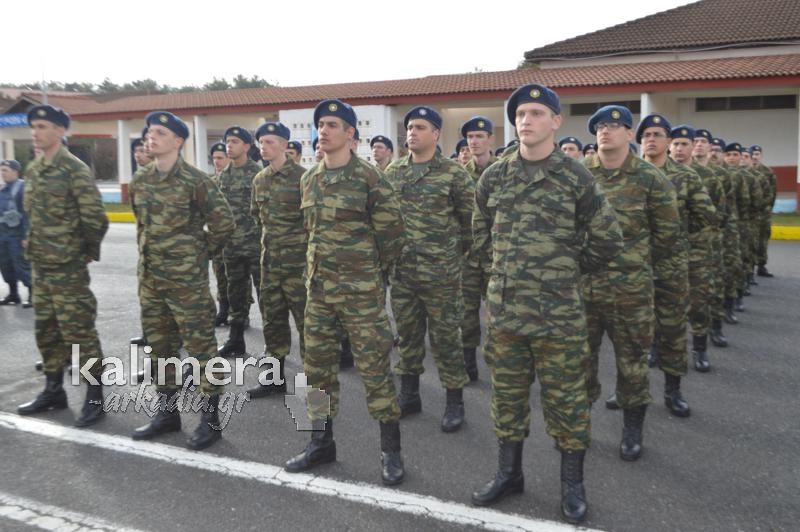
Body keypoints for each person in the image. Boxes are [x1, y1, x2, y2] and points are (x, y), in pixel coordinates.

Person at [470, 84, 623, 525]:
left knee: (567, 401)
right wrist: (500, 272)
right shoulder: (495, 175)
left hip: (559, 315)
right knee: (507, 397)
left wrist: (566, 270)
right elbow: (479, 230)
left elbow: (608, 239)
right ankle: (509, 473)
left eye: (537, 112)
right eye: (521, 113)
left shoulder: (576, 177)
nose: (526, 120)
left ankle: (572, 485)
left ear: (556, 121)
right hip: (506, 314)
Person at [284, 99, 406, 486]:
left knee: (375, 370)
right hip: (319, 293)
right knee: (316, 370)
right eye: (320, 124)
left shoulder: (370, 179)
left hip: (360, 295)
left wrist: (368, 275)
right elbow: (310, 234)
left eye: (332, 124)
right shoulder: (309, 179)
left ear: (351, 134)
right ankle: (320, 442)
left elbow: (392, 236)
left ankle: (390, 450)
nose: (323, 130)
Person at [129, 111, 234, 450]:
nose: (151, 137)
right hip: (151, 281)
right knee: (160, 348)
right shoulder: (141, 180)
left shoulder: (195, 181)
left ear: (178, 141)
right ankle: (167, 413)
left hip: (186, 284)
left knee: (202, 350)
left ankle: (210, 420)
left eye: (160, 132)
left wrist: (197, 253)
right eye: (150, 132)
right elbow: (142, 225)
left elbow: (224, 223)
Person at [582, 105, 681, 461]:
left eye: (614, 126)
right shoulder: (578, 174)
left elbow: (668, 236)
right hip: (584, 290)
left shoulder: (650, 178)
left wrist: (639, 268)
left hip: (631, 291)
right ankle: (579, 425)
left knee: (633, 362)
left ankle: (632, 428)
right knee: (579, 361)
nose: (605, 131)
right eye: (599, 127)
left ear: (628, 134)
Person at [16, 105, 109, 427]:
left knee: (78, 331)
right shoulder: (34, 169)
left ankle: (95, 398)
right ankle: (53, 390)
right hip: (41, 266)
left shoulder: (74, 170)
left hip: (68, 267)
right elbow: (33, 213)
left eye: (42, 126)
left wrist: (86, 252)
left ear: (60, 131)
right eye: (33, 127)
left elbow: (95, 218)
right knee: (46, 329)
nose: (35, 132)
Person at [385, 106, 473, 432]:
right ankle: (409, 396)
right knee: (408, 338)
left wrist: (452, 258)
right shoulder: (394, 172)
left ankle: (454, 402)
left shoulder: (454, 174)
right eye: (410, 127)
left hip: (442, 276)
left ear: (436, 134)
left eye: (420, 127)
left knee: (446, 340)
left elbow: (471, 223)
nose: (412, 132)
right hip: (404, 274)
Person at [634, 117, 714, 416]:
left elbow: (706, 215)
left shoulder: (686, 176)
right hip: (632, 267)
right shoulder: (628, 174)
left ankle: (673, 390)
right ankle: (628, 389)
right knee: (629, 334)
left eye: (657, 134)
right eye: (646, 135)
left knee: (672, 329)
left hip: (670, 266)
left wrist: (678, 241)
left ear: (668, 142)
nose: (651, 139)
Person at [247, 121, 307, 397]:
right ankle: (273, 380)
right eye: (261, 142)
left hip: (298, 267)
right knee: (273, 323)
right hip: (270, 265)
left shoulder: (304, 178)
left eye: (270, 142)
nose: (264, 147)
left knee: (308, 326)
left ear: (284, 145)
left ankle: (314, 387)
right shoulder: (260, 180)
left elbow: (313, 221)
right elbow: (258, 218)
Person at [216, 126, 264, 357]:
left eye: (234, 142)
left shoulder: (258, 174)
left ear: (246, 146)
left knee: (265, 295)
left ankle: (273, 346)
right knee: (235, 292)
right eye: (227, 142)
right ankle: (235, 340)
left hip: (255, 245)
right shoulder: (223, 175)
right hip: (232, 247)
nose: (229, 146)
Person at [460, 116, 497, 381]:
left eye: (479, 136)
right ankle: (468, 363)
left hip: (496, 257)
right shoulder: (459, 175)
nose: (474, 141)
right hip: (467, 256)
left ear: (490, 139)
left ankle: (499, 366)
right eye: (470, 137)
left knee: (497, 314)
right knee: (466, 313)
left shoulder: (504, 172)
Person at [690, 128, 729, 354]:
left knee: (709, 290)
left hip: (706, 242)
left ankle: (714, 328)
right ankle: (658, 345)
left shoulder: (714, 176)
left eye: (702, 141)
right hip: (672, 245)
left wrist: (707, 234)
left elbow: (720, 212)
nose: (698, 145)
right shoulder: (666, 173)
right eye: (694, 141)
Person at [0, 159, 32, 307]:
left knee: (22, 265)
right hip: (3, 234)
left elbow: (27, 214)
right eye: (1, 171)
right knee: (5, 265)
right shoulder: (2, 189)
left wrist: (26, 236)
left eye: (5, 170)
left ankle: (33, 294)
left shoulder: (22, 188)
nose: (2, 173)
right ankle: (13, 294)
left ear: (15, 171)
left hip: (17, 235)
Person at [209, 141, 231, 326]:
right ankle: (223, 310)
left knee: (237, 279)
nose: (217, 161)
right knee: (220, 275)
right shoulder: (211, 183)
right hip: (218, 239)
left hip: (237, 238)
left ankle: (240, 314)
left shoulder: (235, 179)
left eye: (220, 158)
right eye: (214, 158)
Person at [750, 145, 776, 277]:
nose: (754, 157)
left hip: (763, 211)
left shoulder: (768, 172)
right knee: (750, 239)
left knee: (763, 238)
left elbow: (772, 192)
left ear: (761, 156)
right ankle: (749, 268)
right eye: (752, 154)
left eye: (757, 154)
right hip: (750, 212)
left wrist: (767, 208)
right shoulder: (745, 171)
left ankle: (761, 265)